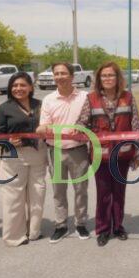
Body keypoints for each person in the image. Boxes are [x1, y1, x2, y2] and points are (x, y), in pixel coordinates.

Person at [81, 62, 139, 246]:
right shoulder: (91, 99)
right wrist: (90, 135)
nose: (107, 79)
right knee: (103, 193)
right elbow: (81, 124)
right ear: (99, 79)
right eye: (104, 76)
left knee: (119, 192)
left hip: (122, 155)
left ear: (118, 78)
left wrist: (137, 153)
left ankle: (118, 227)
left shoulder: (128, 97)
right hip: (100, 156)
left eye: (111, 75)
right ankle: (103, 229)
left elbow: (136, 127)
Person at [37, 62, 91, 242]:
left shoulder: (85, 97)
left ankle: (81, 224)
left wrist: (82, 130)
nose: (59, 76)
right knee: (59, 190)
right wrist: (42, 128)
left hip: (78, 151)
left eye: (63, 73)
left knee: (80, 189)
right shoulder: (48, 99)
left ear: (72, 76)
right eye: (56, 73)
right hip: (56, 150)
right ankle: (61, 225)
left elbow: (90, 122)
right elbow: (45, 124)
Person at [0, 73, 47, 247]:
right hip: (13, 156)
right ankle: (14, 235)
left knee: (37, 193)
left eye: (23, 85)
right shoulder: (4, 108)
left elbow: (50, 123)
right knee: (13, 197)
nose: (18, 89)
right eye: (14, 86)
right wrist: (7, 140)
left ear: (31, 87)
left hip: (38, 154)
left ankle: (34, 231)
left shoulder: (41, 105)